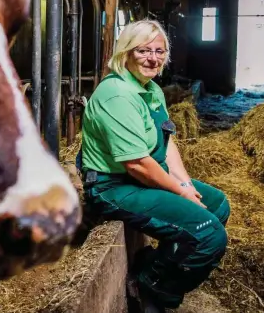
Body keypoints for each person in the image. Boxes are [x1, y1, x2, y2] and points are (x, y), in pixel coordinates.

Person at [77, 19, 230, 313]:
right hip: (114, 186)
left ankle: (158, 265)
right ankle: (153, 287)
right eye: (144, 51)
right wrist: (182, 194)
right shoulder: (118, 95)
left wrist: (185, 185)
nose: (153, 58)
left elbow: (166, 142)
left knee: (216, 205)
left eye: (159, 51)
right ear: (126, 53)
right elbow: (138, 165)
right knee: (209, 234)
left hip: (140, 177)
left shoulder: (151, 90)